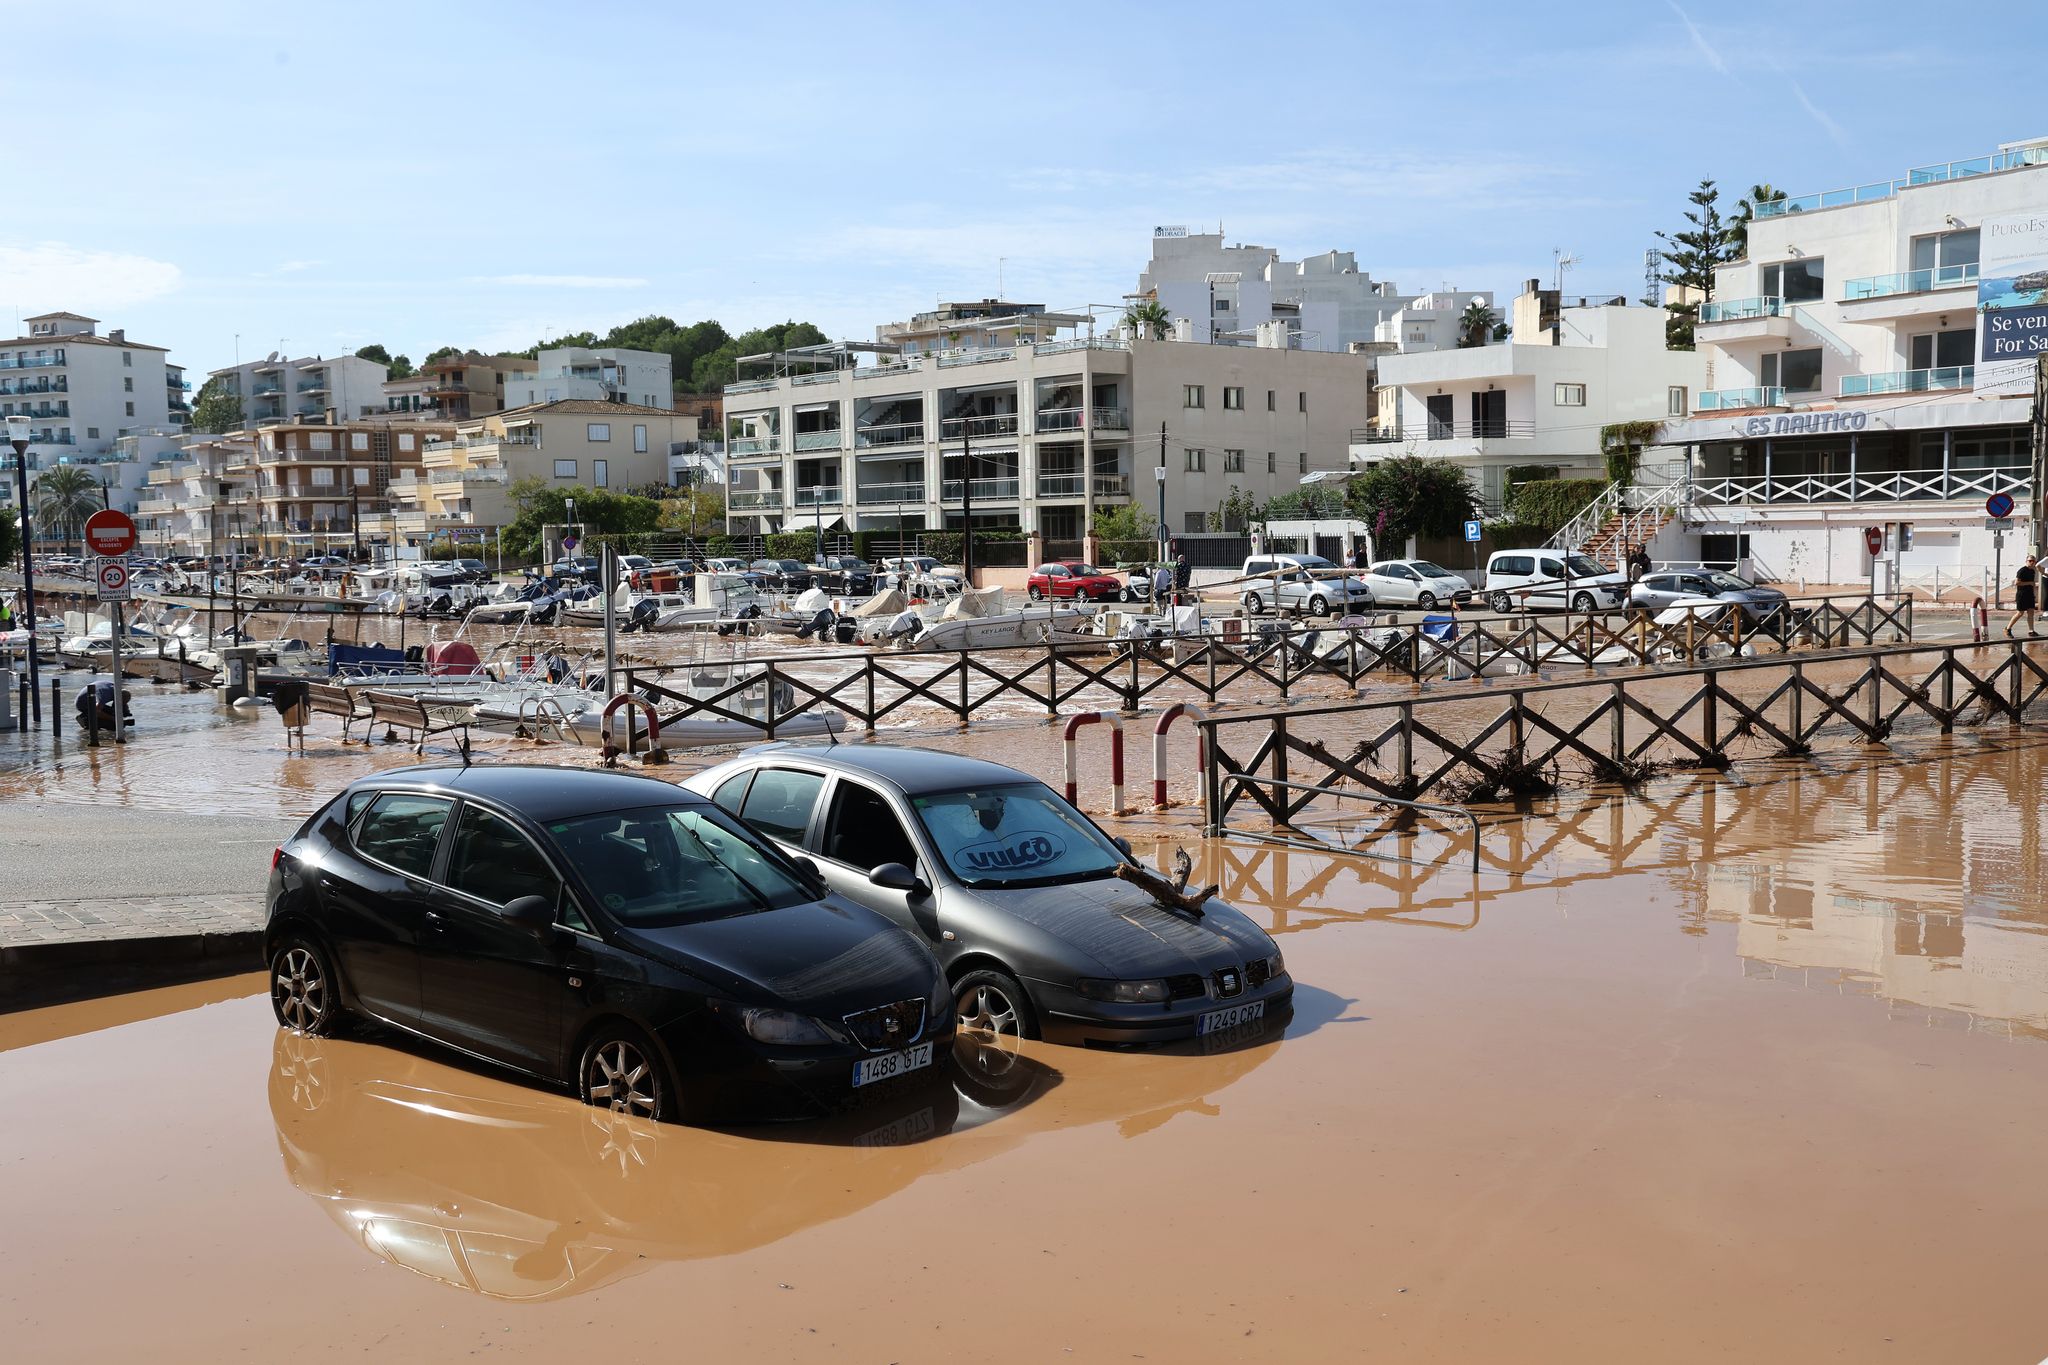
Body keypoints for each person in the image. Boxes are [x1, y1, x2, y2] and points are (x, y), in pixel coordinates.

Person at [2009, 555, 2039, 637]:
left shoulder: (2032, 571)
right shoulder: (2022, 571)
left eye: (2033, 561)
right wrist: (2029, 583)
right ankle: (2008, 629)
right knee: (2020, 613)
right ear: (2026, 561)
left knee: (2031, 612)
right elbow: (2017, 583)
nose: (2032, 562)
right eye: (2030, 561)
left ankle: (2031, 631)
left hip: (2029, 595)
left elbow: (2032, 584)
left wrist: (2033, 594)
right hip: (2021, 594)